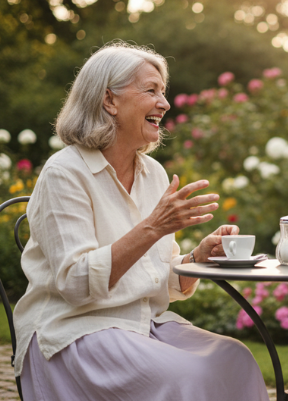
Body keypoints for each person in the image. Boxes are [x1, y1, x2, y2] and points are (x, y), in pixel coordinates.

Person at [13, 42, 269, 401]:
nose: (164, 103)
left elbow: (153, 279)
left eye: (163, 92)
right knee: (187, 376)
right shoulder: (64, 173)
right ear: (110, 101)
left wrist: (196, 259)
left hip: (142, 325)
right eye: (151, 90)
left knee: (236, 360)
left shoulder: (154, 174)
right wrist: (153, 228)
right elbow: (75, 283)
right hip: (75, 331)